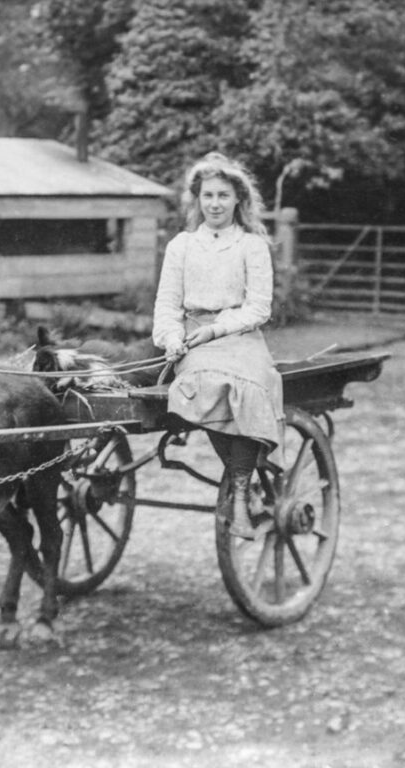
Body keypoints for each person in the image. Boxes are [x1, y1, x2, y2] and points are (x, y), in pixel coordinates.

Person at [152, 152, 284, 539]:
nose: (214, 204)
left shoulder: (251, 245)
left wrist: (216, 330)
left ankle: (239, 493)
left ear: (238, 200)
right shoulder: (182, 246)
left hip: (240, 337)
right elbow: (166, 305)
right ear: (197, 200)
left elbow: (259, 308)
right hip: (193, 339)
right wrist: (173, 339)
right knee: (206, 386)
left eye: (223, 196)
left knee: (248, 387)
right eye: (207, 195)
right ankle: (245, 489)